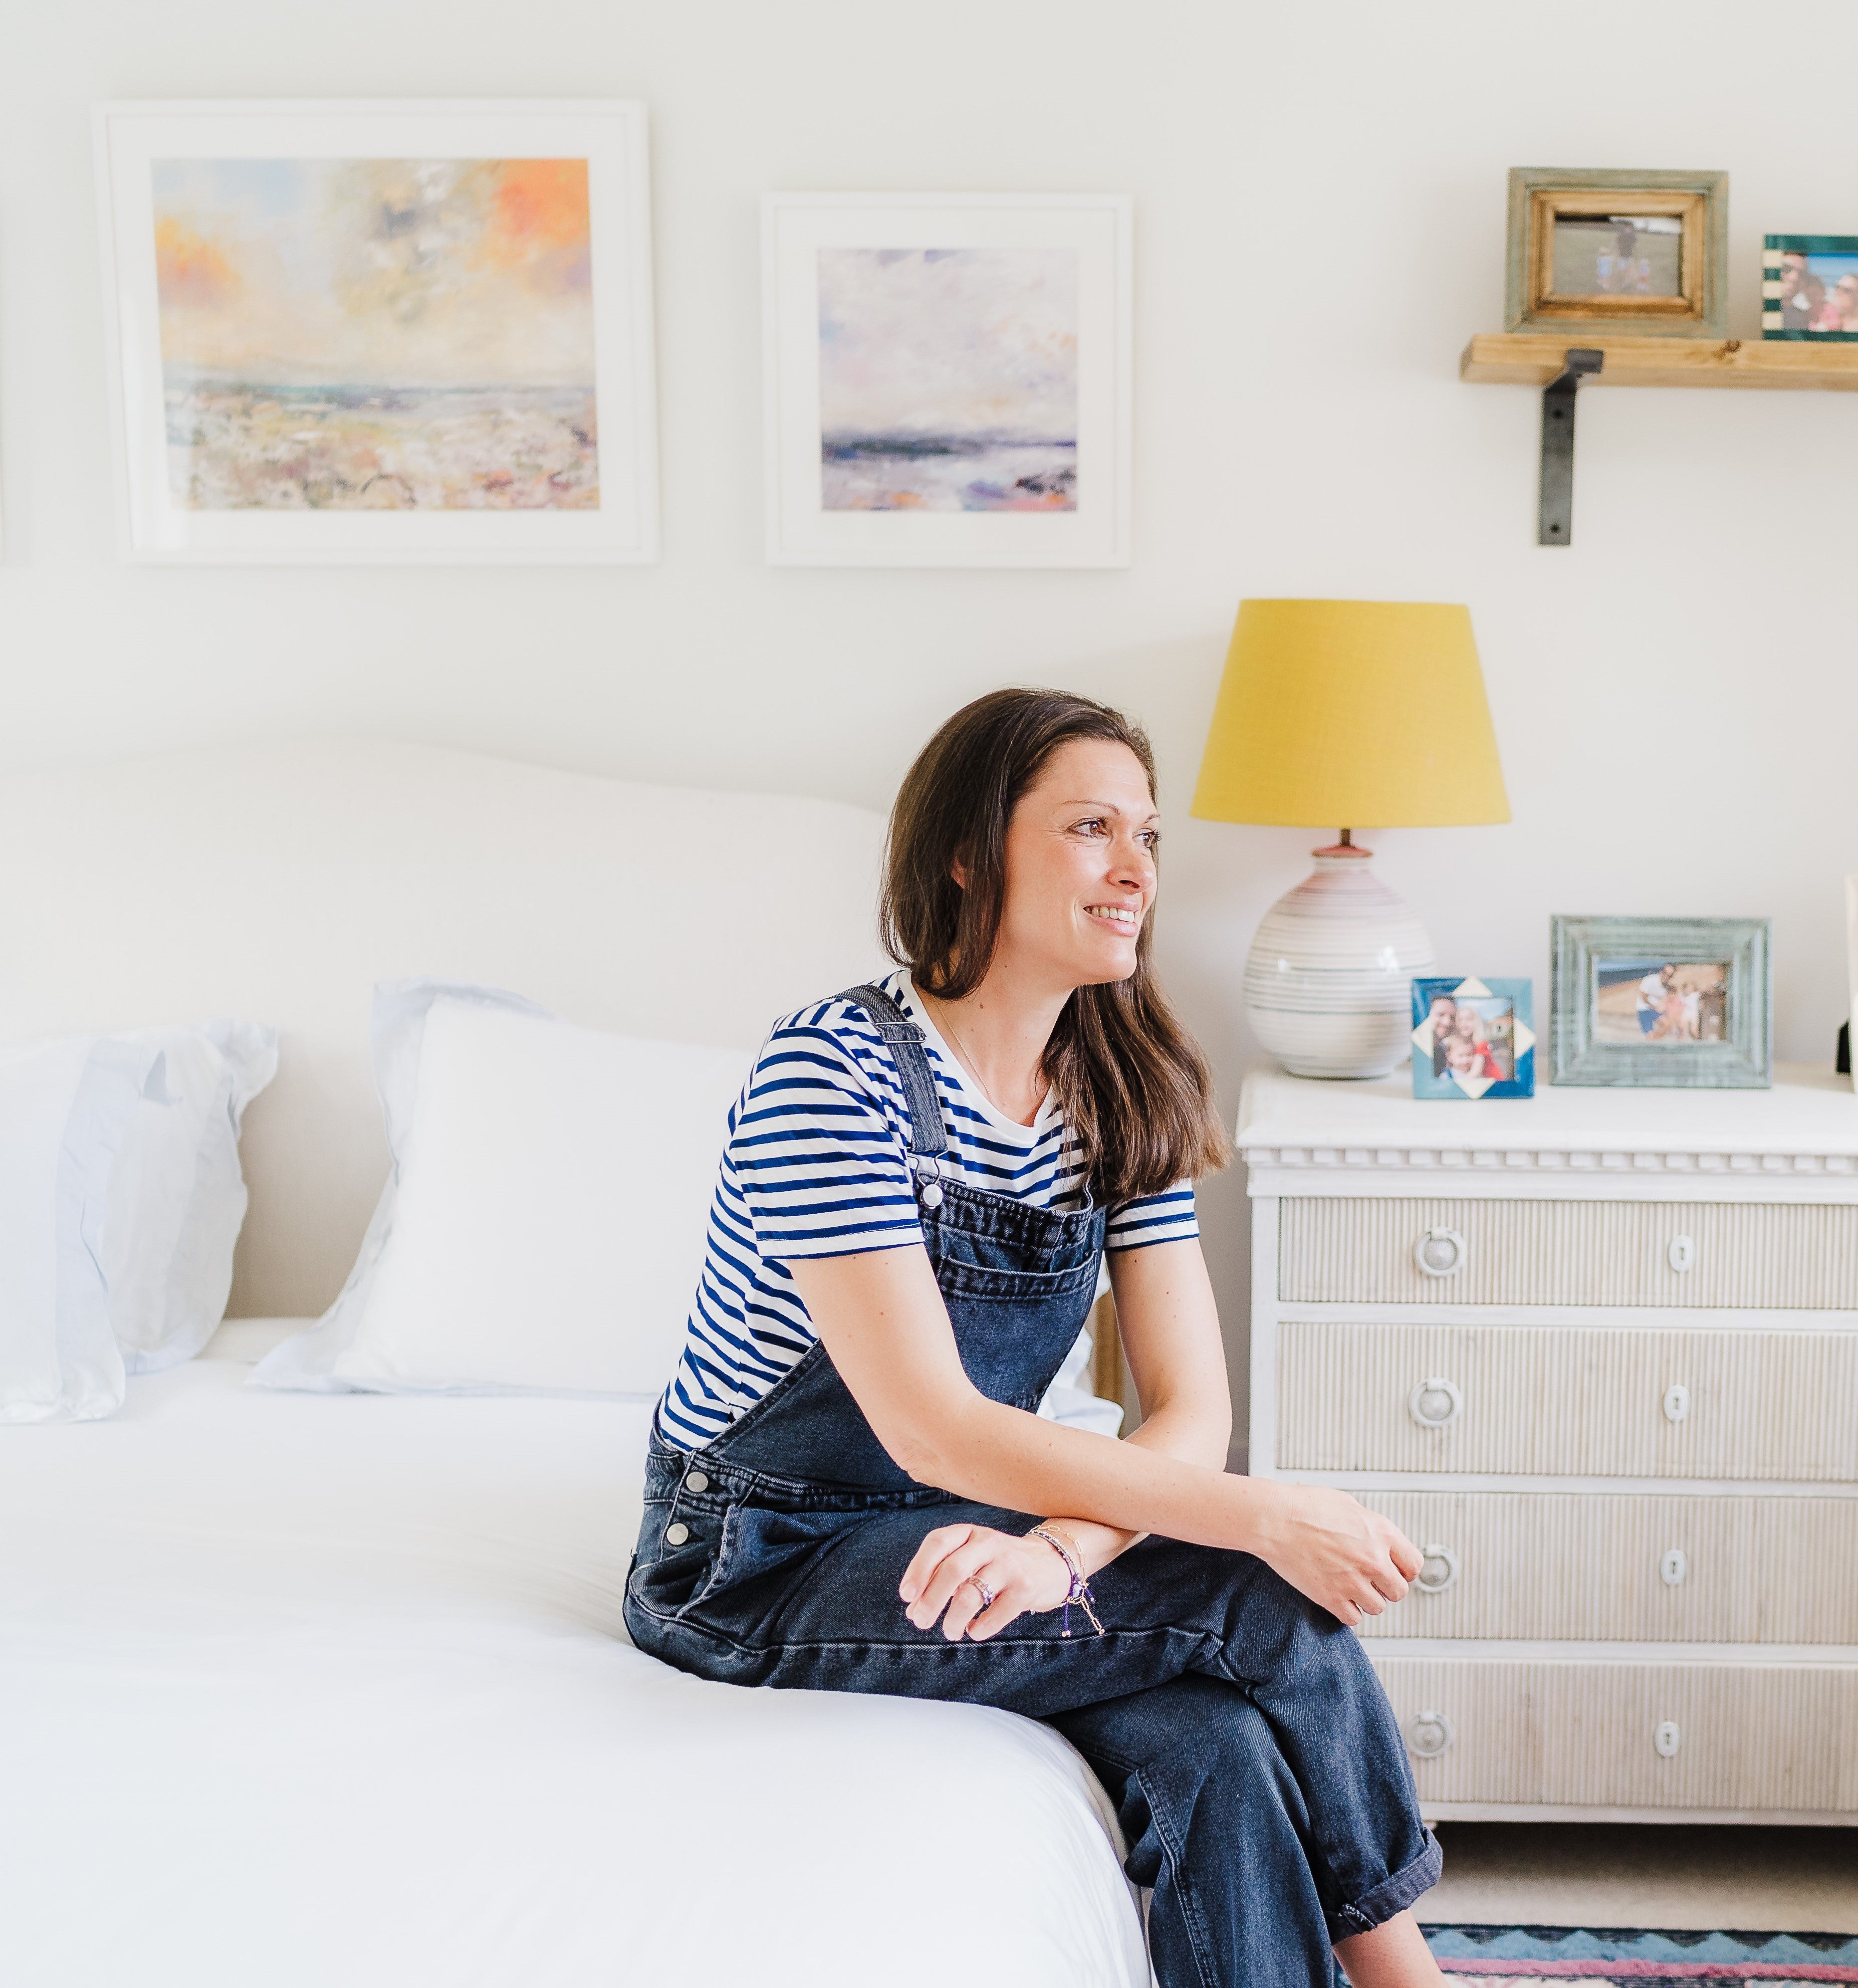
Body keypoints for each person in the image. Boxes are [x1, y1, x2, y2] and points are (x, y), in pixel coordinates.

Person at [626, 689, 1445, 1988]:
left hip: (978, 1530)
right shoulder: (829, 1072)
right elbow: (927, 1424)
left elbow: (1187, 1413)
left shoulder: (1127, 1086)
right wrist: (1261, 1519)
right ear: (966, 853)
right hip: (763, 1553)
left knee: (1213, 1744)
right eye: (1089, 827)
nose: (1136, 870)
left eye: (1148, 835)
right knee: (1256, 1590)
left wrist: (1062, 1549)